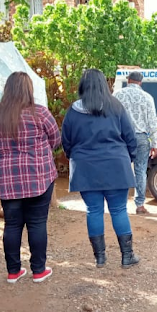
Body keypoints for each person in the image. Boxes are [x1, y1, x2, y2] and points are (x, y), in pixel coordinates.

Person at [62, 69, 140, 268]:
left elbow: (66, 143)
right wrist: (126, 159)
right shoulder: (116, 106)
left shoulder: (73, 110)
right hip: (116, 165)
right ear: (104, 85)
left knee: (94, 210)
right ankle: (127, 256)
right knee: (119, 209)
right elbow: (131, 138)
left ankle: (100, 257)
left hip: (86, 169)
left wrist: (78, 159)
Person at [0, 72, 60, 283]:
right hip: (38, 176)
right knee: (37, 223)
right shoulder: (40, 114)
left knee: (12, 224)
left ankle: (13, 272)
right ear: (29, 90)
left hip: (7, 179)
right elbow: (55, 139)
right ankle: (38, 271)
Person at [113, 71, 157, 214]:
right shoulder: (147, 97)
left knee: (121, 170)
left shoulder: (117, 95)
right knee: (140, 170)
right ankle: (139, 205)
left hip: (121, 138)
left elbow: (111, 117)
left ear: (129, 80)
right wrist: (154, 144)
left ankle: (120, 203)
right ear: (140, 82)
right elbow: (152, 122)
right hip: (141, 138)